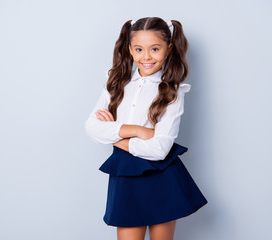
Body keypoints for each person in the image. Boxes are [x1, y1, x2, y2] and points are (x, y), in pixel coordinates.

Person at [85, 17, 207, 240]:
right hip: (125, 177)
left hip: (163, 175)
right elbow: (92, 128)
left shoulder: (173, 91)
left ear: (168, 49)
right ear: (130, 49)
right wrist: (138, 130)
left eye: (155, 49)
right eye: (139, 49)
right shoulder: (115, 83)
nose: (147, 56)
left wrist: (113, 135)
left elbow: (159, 149)